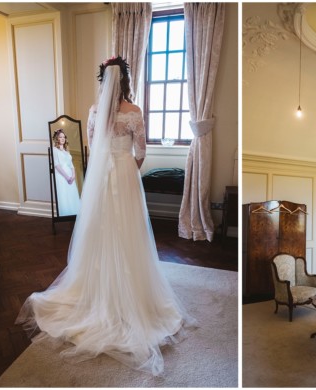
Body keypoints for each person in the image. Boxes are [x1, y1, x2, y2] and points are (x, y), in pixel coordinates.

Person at [16, 56, 194, 375]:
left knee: (100, 231)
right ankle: (131, 296)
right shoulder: (135, 112)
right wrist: (128, 168)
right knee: (129, 232)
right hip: (124, 174)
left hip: (101, 179)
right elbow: (141, 152)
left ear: (104, 81)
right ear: (125, 80)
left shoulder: (94, 111)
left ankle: (95, 290)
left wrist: (108, 166)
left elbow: (91, 148)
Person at [51, 129, 81, 216]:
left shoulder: (66, 151)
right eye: (60, 137)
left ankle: (74, 214)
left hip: (71, 177)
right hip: (62, 176)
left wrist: (73, 175)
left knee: (72, 196)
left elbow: (71, 165)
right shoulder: (54, 150)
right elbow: (56, 165)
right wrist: (67, 177)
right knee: (64, 196)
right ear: (57, 138)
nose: (63, 139)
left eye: (64, 137)